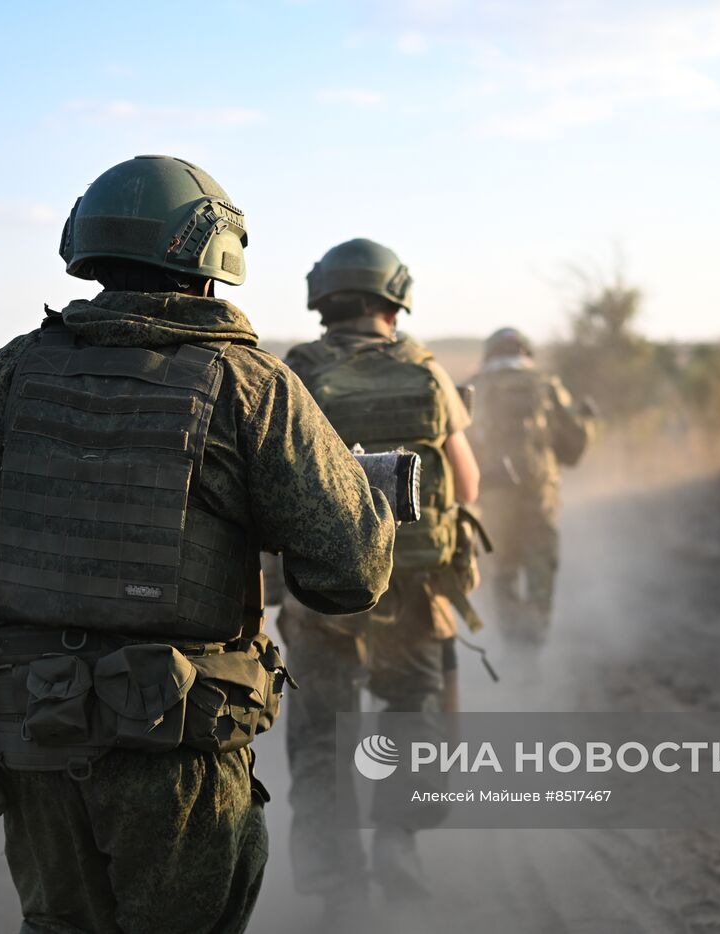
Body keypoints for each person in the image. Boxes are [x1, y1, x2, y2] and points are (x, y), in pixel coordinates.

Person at [0, 156, 396, 934]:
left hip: (36, 739)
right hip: (177, 755)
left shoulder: (9, 374)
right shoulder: (252, 386)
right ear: (213, 260)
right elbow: (350, 574)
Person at [277, 238, 480, 925]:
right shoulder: (425, 368)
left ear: (324, 299)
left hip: (321, 590)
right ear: (395, 298)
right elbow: (468, 481)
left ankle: (339, 885)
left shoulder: (293, 373)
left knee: (322, 734)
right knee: (411, 711)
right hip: (414, 587)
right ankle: (398, 839)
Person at [467, 327, 591, 648]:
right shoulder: (546, 386)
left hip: (493, 501)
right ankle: (533, 645)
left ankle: (511, 643)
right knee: (540, 572)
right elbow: (573, 449)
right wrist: (587, 420)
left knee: (500, 572)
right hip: (540, 498)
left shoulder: (474, 389)